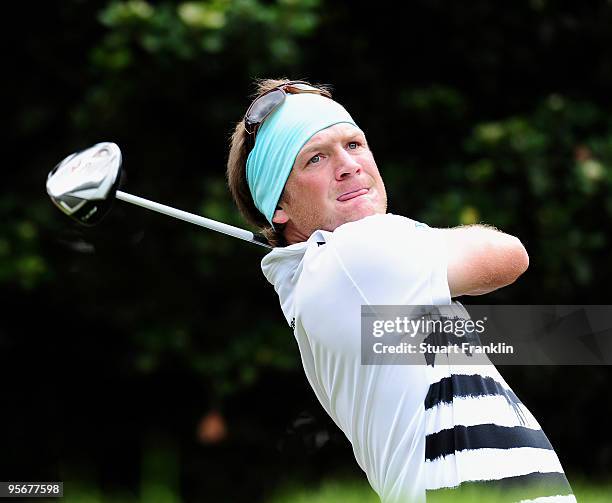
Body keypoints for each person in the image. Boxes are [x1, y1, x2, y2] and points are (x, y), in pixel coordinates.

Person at [226, 79, 576, 503]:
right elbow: (509, 255)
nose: (348, 165)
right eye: (315, 159)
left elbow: (543, 336)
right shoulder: (355, 254)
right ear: (278, 206)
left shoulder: (331, 279)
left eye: (354, 145)